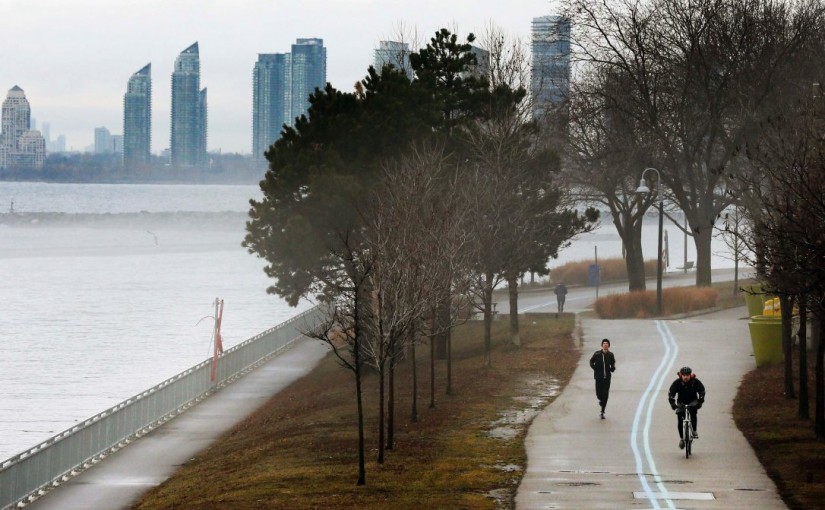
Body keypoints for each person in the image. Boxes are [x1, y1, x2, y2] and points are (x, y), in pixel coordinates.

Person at [668, 366, 706, 449]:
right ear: (681, 375)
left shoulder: (695, 382)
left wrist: (700, 401)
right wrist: (672, 403)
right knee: (679, 418)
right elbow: (671, 393)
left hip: (692, 401)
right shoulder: (677, 383)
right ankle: (682, 439)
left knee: (693, 413)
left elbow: (702, 391)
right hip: (681, 403)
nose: (685, 377)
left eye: (687, 375)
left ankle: (694, 431)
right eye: (684, 375)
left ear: (690, 375)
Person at [589, 338, 615, 419]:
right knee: (599, 394)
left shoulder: (610, 355)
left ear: (609, 346)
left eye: (607, 343)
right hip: (598, 377)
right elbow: (591, 361)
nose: (605, 345)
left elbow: (613, 363)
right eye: (604, 343)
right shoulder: (597, 354)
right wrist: (594, 368)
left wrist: (612, 368)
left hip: (607, 378)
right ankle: (601, 400)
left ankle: (602, 412)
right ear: (602, 345)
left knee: (605, 394)